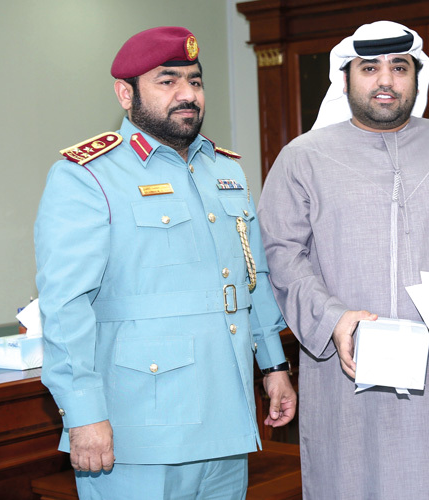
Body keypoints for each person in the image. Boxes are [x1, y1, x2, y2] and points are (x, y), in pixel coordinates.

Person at [34, 27, 296, 500]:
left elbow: (249, 278)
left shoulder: (225, 169)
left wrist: (273, 365)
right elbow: (66, 306)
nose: (187, 94)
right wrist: (83, 413)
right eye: (167, 81)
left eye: (195, 81)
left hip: (227, 415)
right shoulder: (88, 175)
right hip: (139, 425)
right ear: (125, 94)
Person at [257, 20, 429, 500]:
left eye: (399, 67)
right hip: (348, 360)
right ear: (345, 78)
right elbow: (282, 253)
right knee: (353, 480)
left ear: (416, 76)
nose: (385, 80)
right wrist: (333, 319)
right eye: (369, 68)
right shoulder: (302, 158)